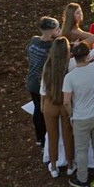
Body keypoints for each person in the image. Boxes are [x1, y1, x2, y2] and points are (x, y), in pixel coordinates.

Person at [65, 41, 94, 187]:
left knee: (82, 149)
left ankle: (82, 178)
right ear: (88, 56)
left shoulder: (69, 77)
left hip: (80, 117)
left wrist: (71, 115)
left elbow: (66, 102)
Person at [41, 36, 75, 178]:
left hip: (50, 102)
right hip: (64, 103)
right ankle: (70, 165)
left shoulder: (48, 65)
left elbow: (43, 89)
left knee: (52, 136)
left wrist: (43, 104)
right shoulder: (71, 64)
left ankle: (54, 167)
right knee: (68, 135)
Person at [26, 17, 60, 148]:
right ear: (51, 31)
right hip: (43, 84)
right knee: (43, 111)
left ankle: (39, 137)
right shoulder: (51, 47)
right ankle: (45, 138)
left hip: (31, 81)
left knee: (36, 109)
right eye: (57, 29)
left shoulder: (34, 40)